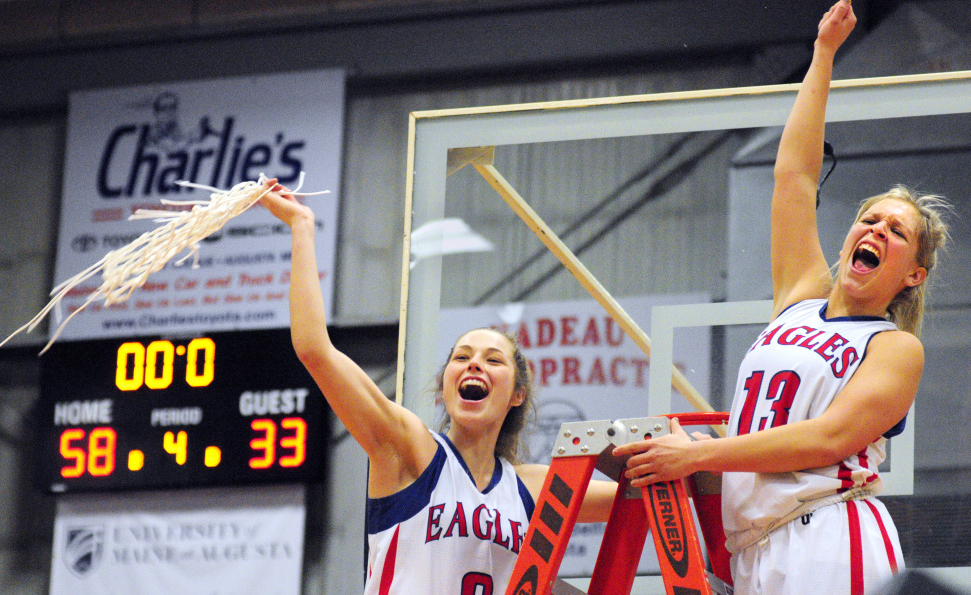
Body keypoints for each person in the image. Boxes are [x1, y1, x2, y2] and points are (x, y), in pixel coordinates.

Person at [612, 1, 951, 594]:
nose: (875, 231)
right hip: (754, 545)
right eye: (870, 219)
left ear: (913, 276)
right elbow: (794, 174)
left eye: (896, 232)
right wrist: (822, 54)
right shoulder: (799, 294)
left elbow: (825, 440)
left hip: (828, 530)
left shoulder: (895, 348)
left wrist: (699, 457)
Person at [258, 184, 618, 594]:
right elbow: (314, 350)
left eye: (493, 359)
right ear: (446, 383)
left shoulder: (529, 487)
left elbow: (635, 497)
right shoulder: (411, 449)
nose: (475, 363)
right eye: (462, 357)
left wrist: (693, 456)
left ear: (517, 394)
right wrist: (302, 227)